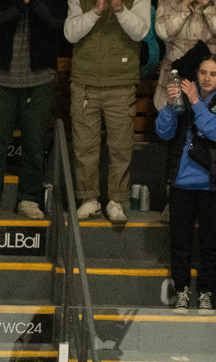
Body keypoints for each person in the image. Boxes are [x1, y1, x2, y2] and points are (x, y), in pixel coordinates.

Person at [156, 55, 216, 313]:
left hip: (211, 186)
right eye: (203, 72)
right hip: (182, 184)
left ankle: (206, 293)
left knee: (210, 244)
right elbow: (164, 132)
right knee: (179, 242)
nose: (206, 78)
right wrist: (171, 106)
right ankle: (181, 291)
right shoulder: (183, 99)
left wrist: (196, 102)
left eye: (213, 74)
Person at [0, 0, 64, 220]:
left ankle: (29, 198)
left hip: (41, 74)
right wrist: (18, 5)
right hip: (1, 72)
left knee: (34, 141)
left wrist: (34, 4)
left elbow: (59, 23)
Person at [64, 0, 151, 223]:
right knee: (84, 146)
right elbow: (70, 33)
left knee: (121, 147)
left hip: (121, 82)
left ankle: (117, 200)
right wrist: (96, 11)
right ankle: (88, 199)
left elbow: (140, 32)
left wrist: (120, 9)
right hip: (84, 81)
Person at [152, 0, 216, 112]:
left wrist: (207, 4)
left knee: (212, 125)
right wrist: (184, 4)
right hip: (176, 86)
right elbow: (163, 32)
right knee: (175, 126)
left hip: (213, 88)